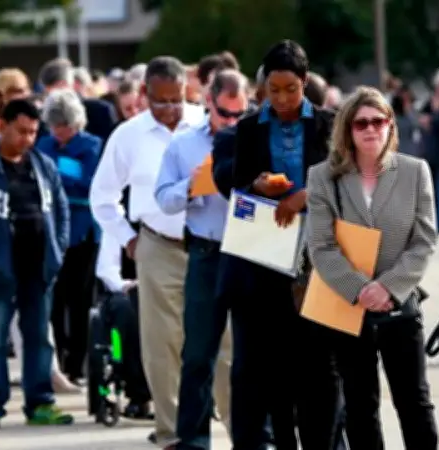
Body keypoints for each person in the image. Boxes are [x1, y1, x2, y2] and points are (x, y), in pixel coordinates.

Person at [306, 86, 438, 449]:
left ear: (390, 126)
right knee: (361, 406)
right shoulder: (322, 177)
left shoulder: (414, 171)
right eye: (361, 123)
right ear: (347, 129)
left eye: (378, 121)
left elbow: (424, 240)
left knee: (414, 402)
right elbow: (321, 246)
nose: (370, 129)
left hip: (399, 306)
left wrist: (388, 287)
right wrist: (361, 289)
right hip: (349, 307)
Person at [89, 56, 205, 448]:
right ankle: (172, 430)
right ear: (144, 95)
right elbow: (102, 197)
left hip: (208, 244)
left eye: (177, 99)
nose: (171, 109)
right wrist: (128, 239)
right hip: (156, 244)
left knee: (217, 338)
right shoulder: (128, 135)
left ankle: (227, 419)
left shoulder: (205, 124)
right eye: (161, 101)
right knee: (162, 341)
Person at [228, 40, 337, 450]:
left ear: (305, 83)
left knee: (320, 361)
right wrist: (256, 186)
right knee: (274, 360)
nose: (282, 98)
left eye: (290, 89)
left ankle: (323, 441)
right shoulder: (249, 128)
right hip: (268, 249)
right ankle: (284, 440)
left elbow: (344, 178)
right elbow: (237, 187)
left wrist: (305, 195)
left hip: (321, 250)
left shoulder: (329, 123)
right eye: (273, 90)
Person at [0, 99, 72, 429]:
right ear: (2, 125)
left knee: (38, 338)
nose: (27, 139)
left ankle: (40, 403)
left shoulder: (44, 165)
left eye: (33, 132)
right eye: (21, 131)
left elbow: (60, 211)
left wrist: (58, 251)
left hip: (39, 268)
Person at [154, 69, 249, 449]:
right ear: (208, 102)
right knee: (198, 351)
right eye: (225, 114)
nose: (232, 122)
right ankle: (193, 439)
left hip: (249, 252)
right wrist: (192, 186)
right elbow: (162, 198)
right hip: (207, 252)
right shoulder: (184, 144)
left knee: (251, 351)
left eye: (239, 114)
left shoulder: (257, 137)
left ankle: (259, 435)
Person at [36, 88, 102, 384]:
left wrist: (58, 176)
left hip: (83, 233)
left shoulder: (92, 145)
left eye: (62, 126)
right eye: (53, 126)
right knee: (55, 299)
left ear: (75, 123)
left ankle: (79, 364)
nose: (58, 132)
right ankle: (58, 361)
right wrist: (67, 176)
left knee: (80, 301)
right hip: (50, 232)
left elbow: (90, 184)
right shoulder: (43, 144)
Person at [94, 230, 153, 419]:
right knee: (127, 309)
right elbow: (106, 269)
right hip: (125, 291)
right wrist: (127, 285)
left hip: (167, 286)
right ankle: (139, 393)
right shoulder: (117, 224)